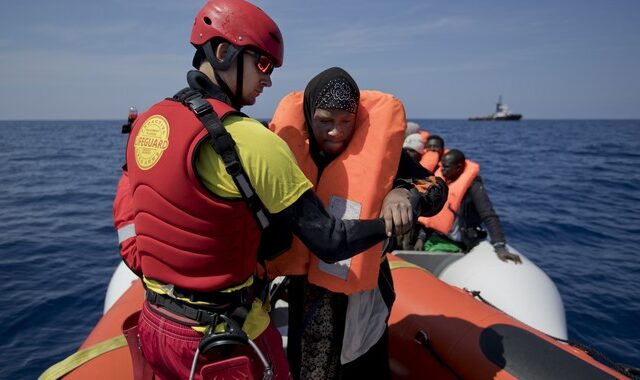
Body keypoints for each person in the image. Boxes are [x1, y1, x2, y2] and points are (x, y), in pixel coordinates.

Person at [115, 2, 415, 379]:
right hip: (223, 338)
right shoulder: (251, 140)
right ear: (223, 52)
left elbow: (129, 217)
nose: (269, 80)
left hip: (155, 324)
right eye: (262, 65)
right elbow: (331, 241)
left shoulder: (147, 123)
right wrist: (388, 224)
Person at [266, 67, 448, 379]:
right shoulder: (287, 151)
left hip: (364, 289)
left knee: (364, 365)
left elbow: (434, 186)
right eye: (325, 121)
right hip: (305, 287)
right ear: (309, 116)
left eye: (345, 122)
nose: (335, 131)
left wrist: (403, 194)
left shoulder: (383, 156)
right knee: (306, 366)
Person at [418, 149, 521, 263]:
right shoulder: (444, 181)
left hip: (457, 241)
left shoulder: (474, 187)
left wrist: (500, 246)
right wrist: (421, 237)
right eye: (442, 166)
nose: (442, 169)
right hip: (436, 235)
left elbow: (488, 215)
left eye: (446, 167)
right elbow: (429, 217)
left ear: (458, 167)